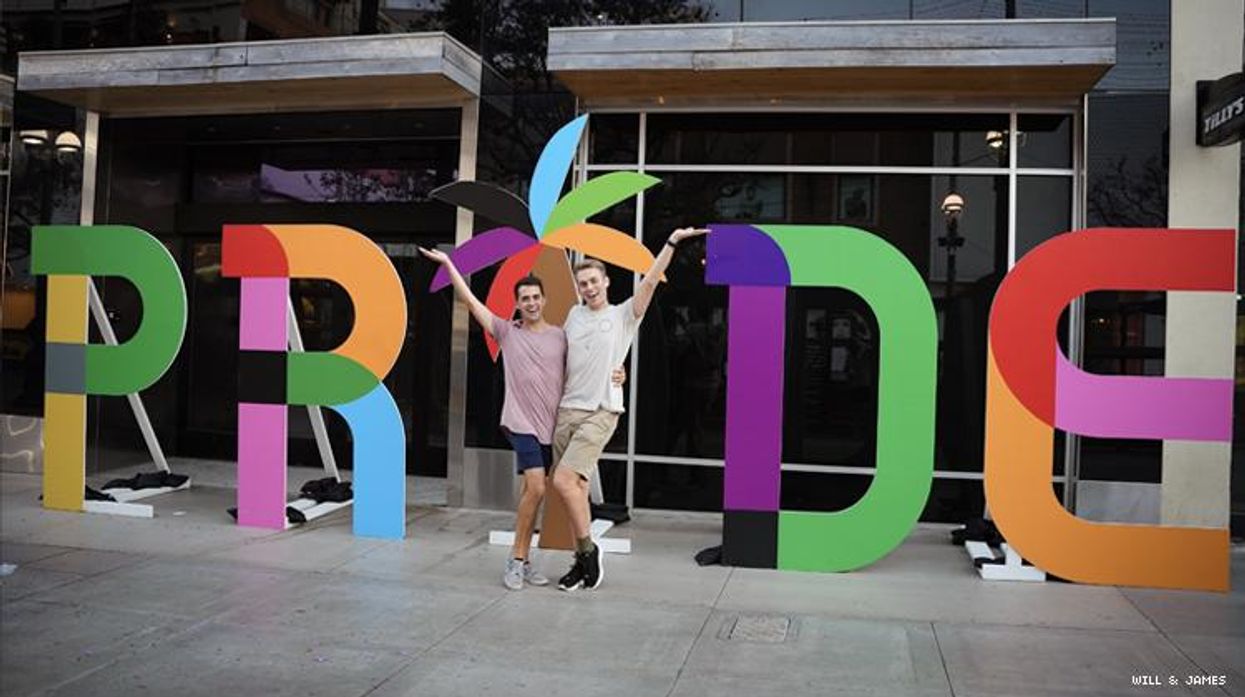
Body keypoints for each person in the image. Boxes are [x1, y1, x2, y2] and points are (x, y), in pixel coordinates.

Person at [419, 247, 624, 591]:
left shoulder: (561, 335)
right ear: (516, 304)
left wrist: (619, 373)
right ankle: (516, 560)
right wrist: (449, 265)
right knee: (538, 485)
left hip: (553, 425)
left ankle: (529, 560)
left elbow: (593, 361)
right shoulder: (506, 331)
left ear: (543, 301)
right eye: (523, 298)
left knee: (541, 491)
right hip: (521, 424)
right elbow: (470, 302)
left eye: (535, 297)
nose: (530, 303)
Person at [552, 226, 710, 592]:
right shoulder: (573, 316)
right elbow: (557, 355)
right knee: (575, 487)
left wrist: (671, 241)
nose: (588, 288)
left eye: (593, 281)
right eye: (583, 284)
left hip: (600, 410)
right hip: (567, 410)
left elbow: (652, 280)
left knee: (563, 480)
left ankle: (588, 553)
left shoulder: (624, 314)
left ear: (606, 282)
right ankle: (582, 558)